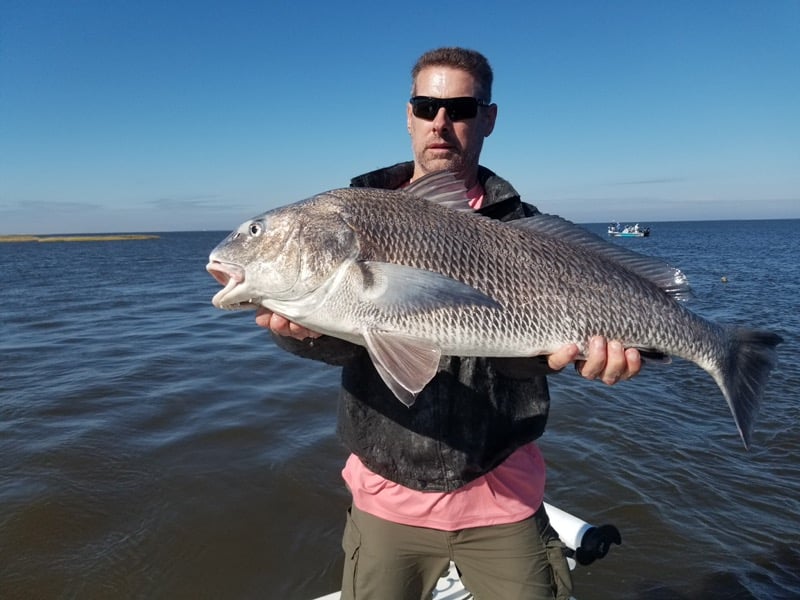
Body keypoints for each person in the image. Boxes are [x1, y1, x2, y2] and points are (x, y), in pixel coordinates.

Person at [257, 47, 641, 600]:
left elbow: (527, 350)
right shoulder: (356, 210)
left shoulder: (526, 228)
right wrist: (304, 336)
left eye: (460, 108)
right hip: (386, 499)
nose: (441, 123)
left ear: (488, 117)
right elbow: (353, 346)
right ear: (408, 114)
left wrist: (602, 355)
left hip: (504, 497)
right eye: (426, 105)